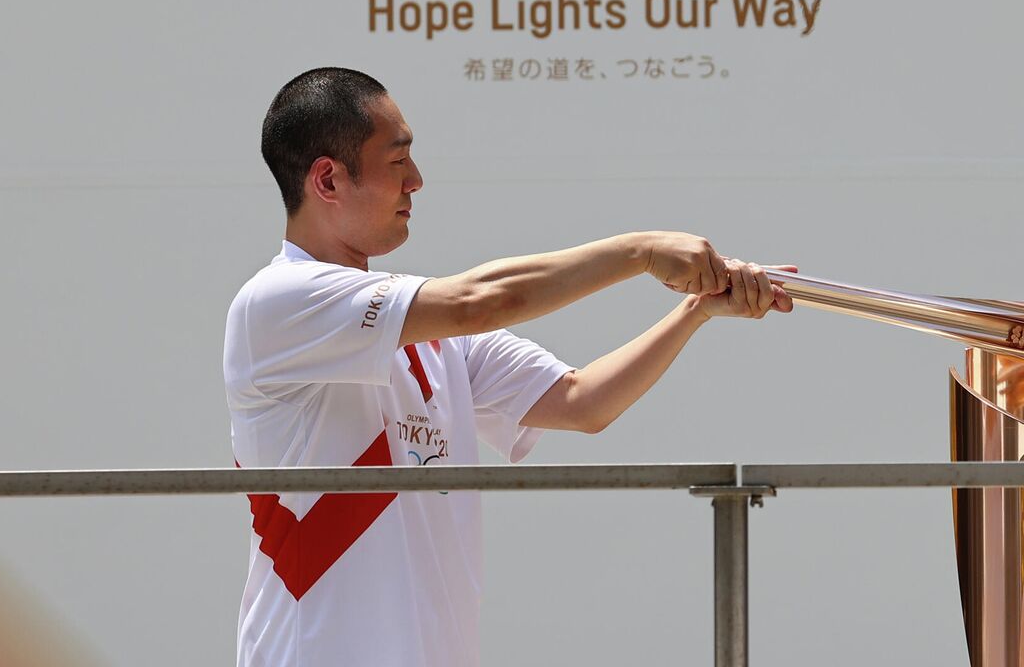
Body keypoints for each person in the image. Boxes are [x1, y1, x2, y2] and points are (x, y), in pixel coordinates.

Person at [223, 67, 793, 666]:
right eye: (397, 162)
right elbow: (480, 301)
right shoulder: (278, 303)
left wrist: (695, 313)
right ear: (328, 178)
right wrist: (640, 251)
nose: (417, 181)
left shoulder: (433, 336)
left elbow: (582, 402)